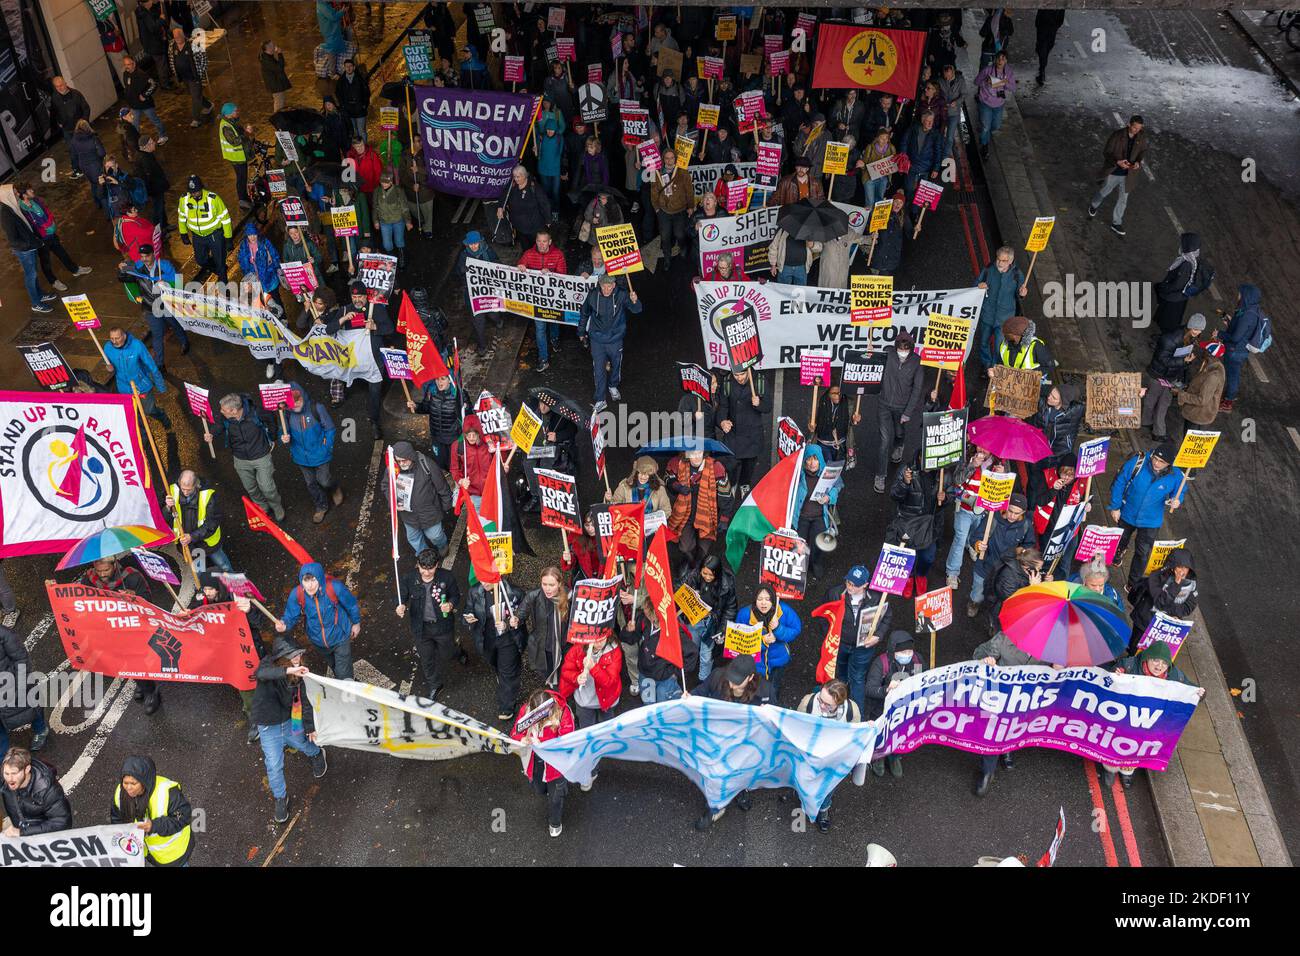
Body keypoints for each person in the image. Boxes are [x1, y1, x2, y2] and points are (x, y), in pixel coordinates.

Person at [1104, 641, 1204, 787]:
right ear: (1146, 658)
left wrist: (1200, 693)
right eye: (1155, 660)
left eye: (1164, 663)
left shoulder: (1175, 675)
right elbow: (1112, 676)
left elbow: (1191, 689)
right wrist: (1116, 672)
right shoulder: (1131, 665)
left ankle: (1127, 772)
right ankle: (1110, 769)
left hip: (1147, 719)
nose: (1159, 666)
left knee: (1136, 745)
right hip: (1124, 714)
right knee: (1115, 739)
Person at [694, 656, 774, 831]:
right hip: (720, 740)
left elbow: (775, 720)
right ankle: (715, 807)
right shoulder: (717, 676)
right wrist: (688, 698)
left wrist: (767, 715)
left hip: (747, 745)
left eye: (737, 682)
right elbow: (700, 692)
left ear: (751, 677)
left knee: (743, 772)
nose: (731, 685)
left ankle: (741, 790)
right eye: (731, 679)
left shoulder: (766, 691)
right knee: (717, 776)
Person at [253, 639, 327, 823]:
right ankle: (280, 798)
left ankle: (317, 754)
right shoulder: (268, 665)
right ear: (282, 658)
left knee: (303, 743)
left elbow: (305, 701)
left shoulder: (299, 676)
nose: (298, 658)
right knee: (273, 765)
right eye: (293, 655)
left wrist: (309, 727)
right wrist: (289, 671)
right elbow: (261, 673)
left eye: (299, 654)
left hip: (290, 720)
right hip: (268, 727)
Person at [970, 628, 1045, 796]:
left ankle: (1007, 748)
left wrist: (1058, 669)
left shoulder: (1052, 649)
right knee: (992, 729)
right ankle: (987, 772)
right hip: (998, 694)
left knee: (1013, 726)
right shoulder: (1005, 637)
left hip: (1025, 700)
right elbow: (978, 653)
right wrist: (986, 659)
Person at [1108, 443, 1185, 589]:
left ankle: (1133, 584)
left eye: (1161, 462)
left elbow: (1180, 490)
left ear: (1169, 464)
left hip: (1151, 521)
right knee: (1121, 538)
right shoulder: (1138, 462)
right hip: (1127, 512)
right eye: (1155, 458)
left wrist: (1177, 500)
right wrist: (1115, 506)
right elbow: (1120, 481)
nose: (1156, 463)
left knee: (1142, 553)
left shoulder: (1176, 475)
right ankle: (1119, 553)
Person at [276, 562, 361, 681]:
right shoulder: (297, 593)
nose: (310, 586)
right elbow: (290, 615)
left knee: (343, 673)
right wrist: (284, 625)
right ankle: (342, 679)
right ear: (302, 581)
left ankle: (348, 691)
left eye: (313, 580)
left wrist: (356, 623)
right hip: (318, 641)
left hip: (340, 636)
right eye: (306, 581)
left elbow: (351, 605)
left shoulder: (335, 587)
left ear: (320, 579)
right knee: (334, 666)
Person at [794, 680, 861, 831]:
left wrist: (868, 729)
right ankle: (805, 804)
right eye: (821, 700)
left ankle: (823, 810)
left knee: (828, 787)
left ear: (840, 702)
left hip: (834, 760)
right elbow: (796, 725)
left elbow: (856, 734)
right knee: (806, 782)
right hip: (810, 756)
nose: (822, 706)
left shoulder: (852, 711)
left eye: (828, 705)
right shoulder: (808, 702)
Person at [396, 549, 463, 699]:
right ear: (418, 565)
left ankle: (457, 651)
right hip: (420, 628)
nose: (426, 572)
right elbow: (402, 597)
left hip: (442, 627)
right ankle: (435, 684)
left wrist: (450, 605)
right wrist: (400, 606)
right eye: (423, 568)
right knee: (426, 659)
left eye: (430, 568)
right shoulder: (409, 578)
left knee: (448, 653)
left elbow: (455, 595)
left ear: (437, 565)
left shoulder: (447, 577)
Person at [510, 688, 574, 837]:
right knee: (539, 789)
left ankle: (555, 823)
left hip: (556, 766)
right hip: (535, 762)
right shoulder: (525, 711)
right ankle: (556, 791)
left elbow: (567, 744)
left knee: (555, 798)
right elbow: (515, 733)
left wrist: (539, 741)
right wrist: (521, 739)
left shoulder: (563, 714)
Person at [109, 756, 194, 866]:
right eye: (125, 783)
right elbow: (117, 819)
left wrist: (154, 826)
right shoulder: (120, 793)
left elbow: (183, 817)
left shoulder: (167, 792)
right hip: (149, 854)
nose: (128, 788)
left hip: (175, 856)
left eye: (133, 783)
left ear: (144, 782)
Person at [464, 575, 527, 721]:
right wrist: (469, 617)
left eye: (488, 579)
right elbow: (467, 611)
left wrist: (511, 622)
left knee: (508, 672)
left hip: (508, 640)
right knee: (495, 663)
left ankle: (507, 706)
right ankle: (503, 674)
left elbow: (523, 615)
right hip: (487, 639)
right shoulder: (474, 592)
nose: (484, 583)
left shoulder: (514, 592)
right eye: (481, 579)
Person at [864, 632, 926, 777]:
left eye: (910, 651)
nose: (908, 654)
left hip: (905, 709)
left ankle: (894, 756)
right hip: (881, 708)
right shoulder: (881, 663)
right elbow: (869, 689)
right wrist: (886, 690)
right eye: (903, 652)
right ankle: (878, 756)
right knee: (881, 732)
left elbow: (921, 678)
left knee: (901, 732)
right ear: (894, 651)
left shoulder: (916, 661)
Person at [968, 492, 1037, 621]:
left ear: (1023, 513)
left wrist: (1021, 551)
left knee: (997, 599)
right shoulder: (992, 518)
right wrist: (978, 545)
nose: (1012, 515)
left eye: (1017, 513)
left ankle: (993, 622)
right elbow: (975, 537)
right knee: (978, 593)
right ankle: (974, 603)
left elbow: (1029, 544)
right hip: (985, 565)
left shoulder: (1026, 526)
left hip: (1004, 571)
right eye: (1010, 511)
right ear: (1005, 507)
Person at [283, 383, 345, 524]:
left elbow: (330, 429)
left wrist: (325, 447)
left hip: (320, 455)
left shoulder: (317, 408)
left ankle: (334, 487)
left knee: (324, 480)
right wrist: (284, 437)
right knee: (311, 484)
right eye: (291, 403)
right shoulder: (285, 413)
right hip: (301, 457)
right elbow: (284, 431)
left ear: (303, 397)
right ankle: (321, 506)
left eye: (297, 401)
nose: (295, 405)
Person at [14, 182, 93, 292]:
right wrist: (42, 230)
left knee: (62, 253)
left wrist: (51, 223)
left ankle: (75, 270)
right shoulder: (21, 210)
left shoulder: (36, 200)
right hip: (40, 239)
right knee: (46, 261)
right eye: (30, 190)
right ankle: (53, 281)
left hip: (51, 234)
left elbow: (47, 211)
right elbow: (30, 225)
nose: (33, 191)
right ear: (24, 194)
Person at [219, 392, 284, 522]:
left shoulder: (257, 413)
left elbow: (271, 419)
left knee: (267, 487)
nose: (221, 412)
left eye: (223, 410)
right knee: (251, 488)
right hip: (240, 459)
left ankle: (276, 506)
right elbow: (219, 426)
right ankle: (262, 506)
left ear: (233, 410)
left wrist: (272, 437)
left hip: (261, 457)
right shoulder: (226, 417)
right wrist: (211, 434)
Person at [579, 273, 641, 408]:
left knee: (616, 364)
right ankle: (600, 399)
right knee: (599, 368)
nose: (606, 290)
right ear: (599, 285)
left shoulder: (622, 294)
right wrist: (581, 331)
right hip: (597, 339)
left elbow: (637, 310)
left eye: (609, 287)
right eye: (603, 287)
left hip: (615, 339)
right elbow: (584, 313)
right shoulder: (592, 295)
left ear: (614, 285)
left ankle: (613, 385)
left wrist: (635, 300)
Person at [730, 585, 801, 702]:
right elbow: (739, 641)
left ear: (773, 600)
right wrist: (762, 641)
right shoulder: (744, 614)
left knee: (774, 686)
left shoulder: (784, 611)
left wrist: (778, 629)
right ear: (754, 600)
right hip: (755, 662)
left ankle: (772, 703)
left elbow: (795, 630)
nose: (763, 603)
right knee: (753, 687)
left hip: (778, 659)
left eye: (767, 599)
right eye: (760, 599)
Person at [626, 589, 697, 704]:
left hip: (665, 679)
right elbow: (630, 639)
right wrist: (629, 631)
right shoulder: (644, 621)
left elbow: (692, 653)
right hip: (645, 674)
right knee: (648, 706)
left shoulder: (674, 632)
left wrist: (675, 673)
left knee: (663, 707)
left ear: (654, 614)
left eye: (646, 609)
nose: (643, 610)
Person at [874, 334, 924, 494]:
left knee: (899, 432)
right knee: (884, 441)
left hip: (902, 407)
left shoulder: (917, 362)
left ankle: (899, 445)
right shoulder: (887, 353)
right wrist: (870, 353)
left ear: (911, 348)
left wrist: (908, 412)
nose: (903, 351)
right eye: (900, 348)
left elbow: (917, 389)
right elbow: (873, 363)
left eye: (906, 349)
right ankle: (880, 475)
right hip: (884, 404)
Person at [887, 459, 945, 598]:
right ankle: (908, 576)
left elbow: (948, 498)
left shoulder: (942, 473)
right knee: (908, 554)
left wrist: (945, 497)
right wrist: (905, 484)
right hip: (908, 522)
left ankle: (920, 575)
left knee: (928, 557)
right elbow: (894, 495)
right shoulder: (906, 469)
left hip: (930, 524)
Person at [665, 447, 728, 571]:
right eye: (692, 454)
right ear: (686, 454)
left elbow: (725, 494)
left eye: (699, 453)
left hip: (707, 515)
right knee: (685, 548)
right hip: (685, 514)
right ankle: (693, 563)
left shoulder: (717, 467)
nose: (697, 457)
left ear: (704, 453)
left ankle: (697, 568)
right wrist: (677, 487)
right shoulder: (676, 463)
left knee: (704, 547)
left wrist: (724, 517)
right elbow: (668, 478)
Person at [677, 555, 737, 683]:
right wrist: (690, 592)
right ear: (700, 570)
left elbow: (730, 609)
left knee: (706, 655)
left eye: (711, 575)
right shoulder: (693, 576)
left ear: (718, 574)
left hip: (711, 624)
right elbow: (678, 588)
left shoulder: (726, 585)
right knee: (692, 646)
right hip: (693, 620)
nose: (708, 577)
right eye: (705, 573)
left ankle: (703, 680)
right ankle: (690, 668)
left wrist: (722, 630)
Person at [388, 440, 454, 555]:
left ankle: (442, 546)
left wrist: (446, 506)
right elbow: (386, 485)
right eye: (399, 461)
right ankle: (424, 555)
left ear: (411, 456)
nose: (402, 463)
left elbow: (442, 487)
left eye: (404, 460)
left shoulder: (427, 464)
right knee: (413, 539)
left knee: (435, 536)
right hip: (408, 516)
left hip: (429, 514)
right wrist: (392, 502)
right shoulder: (393, 468)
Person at [0, 183, 58, 313]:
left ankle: (40, 295)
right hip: (25, 250)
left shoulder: (12, 207)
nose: (17, 195)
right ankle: (35, 303)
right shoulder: (6, 213)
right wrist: (29, 245)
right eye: (14, 193)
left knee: (33, 273)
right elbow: (13, 239)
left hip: (30, 246)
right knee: (30, 276)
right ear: (7, 195)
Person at [1128, 548, 1198, 654]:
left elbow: (1188, 607)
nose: (1182, 571)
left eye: (1186, 568)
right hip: (1145, 622)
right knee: (1135, 649)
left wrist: (1172, 612)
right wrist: (1175, 585)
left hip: (1165, 628)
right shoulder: (1156, 576)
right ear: (1172, 566)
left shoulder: (1191, 584)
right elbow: (1161, 603)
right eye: (1179, 567)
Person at [1088, 115, 1148, 237]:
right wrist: (1117, 162)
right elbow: (1107, 152)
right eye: (1135, 128)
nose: (1137, 130)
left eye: (1139, 128)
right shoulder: (1117, 135)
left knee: (1123, 200)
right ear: (1129, 125)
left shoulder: (1141, 137)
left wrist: (1138, 162)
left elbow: (1142, 151)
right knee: (1104, 192)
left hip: (1129, 175)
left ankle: (1116, 223)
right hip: (1115, 172)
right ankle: (1094, 205)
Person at [164, 469, 233, 572]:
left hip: (207, 542)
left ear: (196, 485)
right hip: (190, 545)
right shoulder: (171, 491)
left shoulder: (209, 495)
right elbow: (163, 518)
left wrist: (192, 536)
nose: (186, 492)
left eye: (189, 489)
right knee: (199, 572)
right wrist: (167, 508)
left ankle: (235, 586)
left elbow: (212, 523)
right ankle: (205, 588)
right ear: (179, 483)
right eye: (183, 489)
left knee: (224, 566)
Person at [517, 229, 567, 371]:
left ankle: (555, 339)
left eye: (544, 241)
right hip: (537, 301)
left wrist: (551, 274)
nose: (541, 244)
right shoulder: (528, 254)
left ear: (550, 242)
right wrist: (520, 266)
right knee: (540, 329)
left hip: (553, 300)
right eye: (539, 241)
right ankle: (543, 358)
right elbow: (521, 264)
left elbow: (563, 275)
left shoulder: (558, 255)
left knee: (554, 322)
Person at [103, 326, 170, 428]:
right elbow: (109, 365)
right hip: (124, 387)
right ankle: (140, 433)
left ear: (124, 336)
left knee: (149, 410)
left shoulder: (137, 345)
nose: (114, 341)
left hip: (141, 385)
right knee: (132, 412)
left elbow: (151, 366)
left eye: (117, 338)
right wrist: (109, 368)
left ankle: (162, 416)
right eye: (112, 338)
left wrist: (161, 386)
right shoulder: (108, 347)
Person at [717, 367, 771, 494]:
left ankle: (744, 483)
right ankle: (732, 483)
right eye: (736, 375)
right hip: (733, 433)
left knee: (749, 464)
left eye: (742, 374)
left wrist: (759, 404)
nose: (740, 378)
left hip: (752, 435)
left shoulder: (760, 381)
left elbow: (768, 407)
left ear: (749, 371)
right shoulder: (727, 383)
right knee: (730, 464)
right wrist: (722, 421)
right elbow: (723, 406)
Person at [974, 246, 1028, 370]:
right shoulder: (988, 269)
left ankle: (994, 369)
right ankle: (987, 366)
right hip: (987, 314)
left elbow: (1020, 294)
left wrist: (1022, 294)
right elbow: (976, 284)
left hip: (1004, 319)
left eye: (1003, 261)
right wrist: (979, 285)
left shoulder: (1017, 274)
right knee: (983, 343)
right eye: (998, 259)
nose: (999, 262)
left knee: (999, 347)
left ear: (1010, 261)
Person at [558, 630, 623, 730]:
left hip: (608, 699)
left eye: (603, 639)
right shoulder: (577, 649)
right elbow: (566, 671)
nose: (600, 643)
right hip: (585, 701)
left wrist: (593, 667)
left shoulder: (614, 650)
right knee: (587, 730)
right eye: (597, 640)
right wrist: (576, 678)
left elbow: (610, 681)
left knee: (606, 729)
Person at [795, 446, 841, 582]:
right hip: (801, 516)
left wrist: (829, 497)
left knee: (818, 544)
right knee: (799, 544)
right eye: (808, 459)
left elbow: (837, 486)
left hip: (819, 516)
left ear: (820, 460)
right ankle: (800, 566)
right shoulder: (798, 475)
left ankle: (816, 563)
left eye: (815, 459)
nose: (811, 463)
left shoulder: (827, 473)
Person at [1, 625, 49, 754]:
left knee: (31, 710)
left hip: (14, 685)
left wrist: (19, 686)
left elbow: (21, 659)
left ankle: (41, 730)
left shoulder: (4, 634)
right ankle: (3, 760)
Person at [1216, 284, 1264, 412]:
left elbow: (1236, 337)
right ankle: (1228, 396)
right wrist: (1231, 322)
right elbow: (1242, 329)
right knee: (1233, 374)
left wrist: (1219, 334)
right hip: (1239, 350)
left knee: (1232, 376)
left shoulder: (1248, 314)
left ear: (1246, 296)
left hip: (1235, 350)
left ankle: (1227, 402)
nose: (1238, 295)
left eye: (1240, 293)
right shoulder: (1251, 308)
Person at [2, 748, 71, 836]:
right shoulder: (5, 779)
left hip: (41, 837)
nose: (9, 779)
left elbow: (62, 822)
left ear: (27, 769)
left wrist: (23, 832)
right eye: (6, 773)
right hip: (21, 828)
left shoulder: (49, 790)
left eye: (14, 773)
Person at [177, 174, 233, 284]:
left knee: (220, 260)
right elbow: (181, 216)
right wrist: (183, 233)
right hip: (197, 237)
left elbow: (225, 219)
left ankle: (223, 281)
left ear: (201, 188)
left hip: (214, 235)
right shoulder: (184, 200)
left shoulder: (213, 199)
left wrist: (228, 238)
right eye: (192, 192)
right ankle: (218, 269)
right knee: (201, 260)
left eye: (196, 191)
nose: (194, 194)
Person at [522, 567, 571, 689]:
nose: (547, 588)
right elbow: (521, 613)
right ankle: (556, 695)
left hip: (564, 646)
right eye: (544, 584)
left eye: (551, 585)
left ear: (559, 584)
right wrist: (514, 620)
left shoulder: (570, 596)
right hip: (545, 646)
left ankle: (560, 696)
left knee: (565, 675)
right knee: (549, 674)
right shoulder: (534, 596)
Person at [1154, 234, 1212, 334]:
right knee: (1171, 315)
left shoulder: (1186, 264)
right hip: (1182, 296)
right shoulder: (1194, 258)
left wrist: (1164, 288)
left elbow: (1177, 285)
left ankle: (1163, 336)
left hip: (1175, 296)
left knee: (1168, 319)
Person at [650, 150, 692, 266]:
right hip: (664, 211)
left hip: (680, 210)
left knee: (680, 234)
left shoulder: (682, 172)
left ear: (675, 159)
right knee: (665, 236)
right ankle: (667, 257)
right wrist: (657, 208)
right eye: (667, 158)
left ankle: (683, 247)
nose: (669, 161)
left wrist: (690, 206)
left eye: (671, 158)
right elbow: (653, 192)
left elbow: (689, 190)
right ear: (663, 159)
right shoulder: (656, 173)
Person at [1173, 344, 1225, 437]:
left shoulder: (1213, 376)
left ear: (1209, 354)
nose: (1202, 351)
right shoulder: (1210, 366)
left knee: (1189, 444)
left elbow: (1202, 400)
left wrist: (1181, 394)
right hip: (1198, 414)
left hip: (1198, 416)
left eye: (1205, 350)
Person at [168, 26, 214, 127]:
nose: (178, 38)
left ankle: (196, 119)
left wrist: (200, 73)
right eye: (175, 37)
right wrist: (175, 73)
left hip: (194, 77)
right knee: (195, 95)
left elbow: (204, 59)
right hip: (183, 78)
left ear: (183, 34)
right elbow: (171, 59)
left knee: (195, 98)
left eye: (179, 36)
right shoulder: (172, 45)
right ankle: (208, 105)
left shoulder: (193, 44)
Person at [498, 165, 551, 251]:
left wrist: (548, 220)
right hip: (519, 226)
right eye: (514, 176)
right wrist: (500, 207)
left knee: (536, 247)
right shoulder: (513, 184)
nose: (515, 179)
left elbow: (545, 204)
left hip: (534, 226)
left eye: (518, 177)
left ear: (524, 175)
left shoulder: (534, 187)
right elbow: (504, 194)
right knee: (525, 248)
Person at [973, 53, 1015, 160]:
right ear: (995, 59)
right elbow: (976, 81)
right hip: (985, 103)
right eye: (999, 58)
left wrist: (1003, 83)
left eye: (1003, 59)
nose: (1000, 61)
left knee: (995, 126)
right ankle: (984, 145)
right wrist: (985, 82)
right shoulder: (987, 70)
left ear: (1006, 61)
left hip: (999, 104)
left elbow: (1013, 87)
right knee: (986, 126)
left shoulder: (1008, 72)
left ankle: (984, 134)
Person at [50, 76, 91, 177]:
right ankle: (77, 169)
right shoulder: (55, 98)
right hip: (67, 129)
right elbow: (53, 112)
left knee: (85, 147)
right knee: (73, 150)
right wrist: (59, 122)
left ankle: (89, 165)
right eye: (57, 86)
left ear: (65, 83)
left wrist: (84, 122)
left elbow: (86, 108)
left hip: (79, 128)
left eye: (61, 85)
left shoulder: (76, 94)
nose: (60, 88)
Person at [121, 55, 168, 143]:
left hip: (146, 105)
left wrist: (144, 95)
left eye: (129, 64)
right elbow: (128, 88)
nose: (127, 67)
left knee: (155, 120)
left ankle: (163, 135)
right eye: (125, 65)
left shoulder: (141, 74)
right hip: (134, 106)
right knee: (134, 124)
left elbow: (153, 84)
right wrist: (129, 104)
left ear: (134, 64)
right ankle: (137, 141)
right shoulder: (125, 74)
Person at [998, 315, 1055, 386]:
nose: (1003, 335)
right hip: (1010, 386)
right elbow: (1000, 363)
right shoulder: (1003, 345)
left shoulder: (1036, 346)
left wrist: (1029, 374)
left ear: (1015, 336)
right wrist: (996, 371)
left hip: (1028, 387)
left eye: (1006, 334)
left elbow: (1050, 366)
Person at [373, 168, 413, 267]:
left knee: (399, 240)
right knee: (387, 244)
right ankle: (391, 258)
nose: (384, 184)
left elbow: (404, 207)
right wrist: (375, 221)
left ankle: (401, 255)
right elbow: (375, 207)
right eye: (382, 182)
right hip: (384, 222)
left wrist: (408, 221)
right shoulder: (377, 191)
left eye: (387, 182)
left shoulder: (398, 191)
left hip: (398, 221)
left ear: (391, 181)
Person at [218, 103, 253, 209]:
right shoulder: (226, 126)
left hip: (240, 156)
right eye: (235, 111)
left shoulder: (233, 122)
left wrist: (246, 130)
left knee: (243, 178)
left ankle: (244, 197)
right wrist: (246, 133)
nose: (238, 112)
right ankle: (242, 200)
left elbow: (240, 133)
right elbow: (235, 141)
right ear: (229, 114)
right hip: (236, 158)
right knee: (241, 178)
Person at [133, 135, 171, 233]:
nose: (154, 143)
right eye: (152, 142)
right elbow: (149, 177)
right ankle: (160, 232)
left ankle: (165, 225)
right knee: (157, 210)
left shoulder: (145, 154)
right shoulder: (145, 159)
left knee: (161, 206)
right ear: (147, 146)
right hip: (155, 189)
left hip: (157, 188)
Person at [901, 109, 944, 194]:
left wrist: (936, 168)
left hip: (925, 167)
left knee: (921, 193)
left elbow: (938, 152)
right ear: (922, 120)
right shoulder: (913, 129)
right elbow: (904, 142)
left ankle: (915, 207)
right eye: (928, 121)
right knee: (908, 189)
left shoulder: (935, 134)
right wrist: (904, 157)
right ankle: (907, 205)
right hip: (911, 165)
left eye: (932, 121)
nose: (930, 123)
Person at [336, 58, 371, 140]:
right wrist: (343, 107)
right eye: (346, 66)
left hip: (360, 110)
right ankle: (357, 149)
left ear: (354, 67)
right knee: (354, 131)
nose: (348, 68)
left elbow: (367, 93)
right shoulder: (341, 81)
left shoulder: (361, 79)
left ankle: (364, 149)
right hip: (349, 111)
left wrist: (364, 105)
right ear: (344, 67)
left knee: (361, 131)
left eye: (350, 66)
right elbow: (338, 95)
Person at [1034, 9, 1066, 84]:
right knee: (1045, 47)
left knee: (1044, 47)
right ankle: (1042, 70)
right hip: (1048, 24)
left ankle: (1042, 69)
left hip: (1047, 24)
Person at [260, 40, 292, 113]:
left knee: (281, 103)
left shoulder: (268, 56)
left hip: (277, 84)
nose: (275, 46)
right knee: (279, 105)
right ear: (268, 48)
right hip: (276, 86)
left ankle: (280, 118)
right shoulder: (267, 59)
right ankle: (278, 119)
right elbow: (279, 68)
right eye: (272, 45)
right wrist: (280, 54)